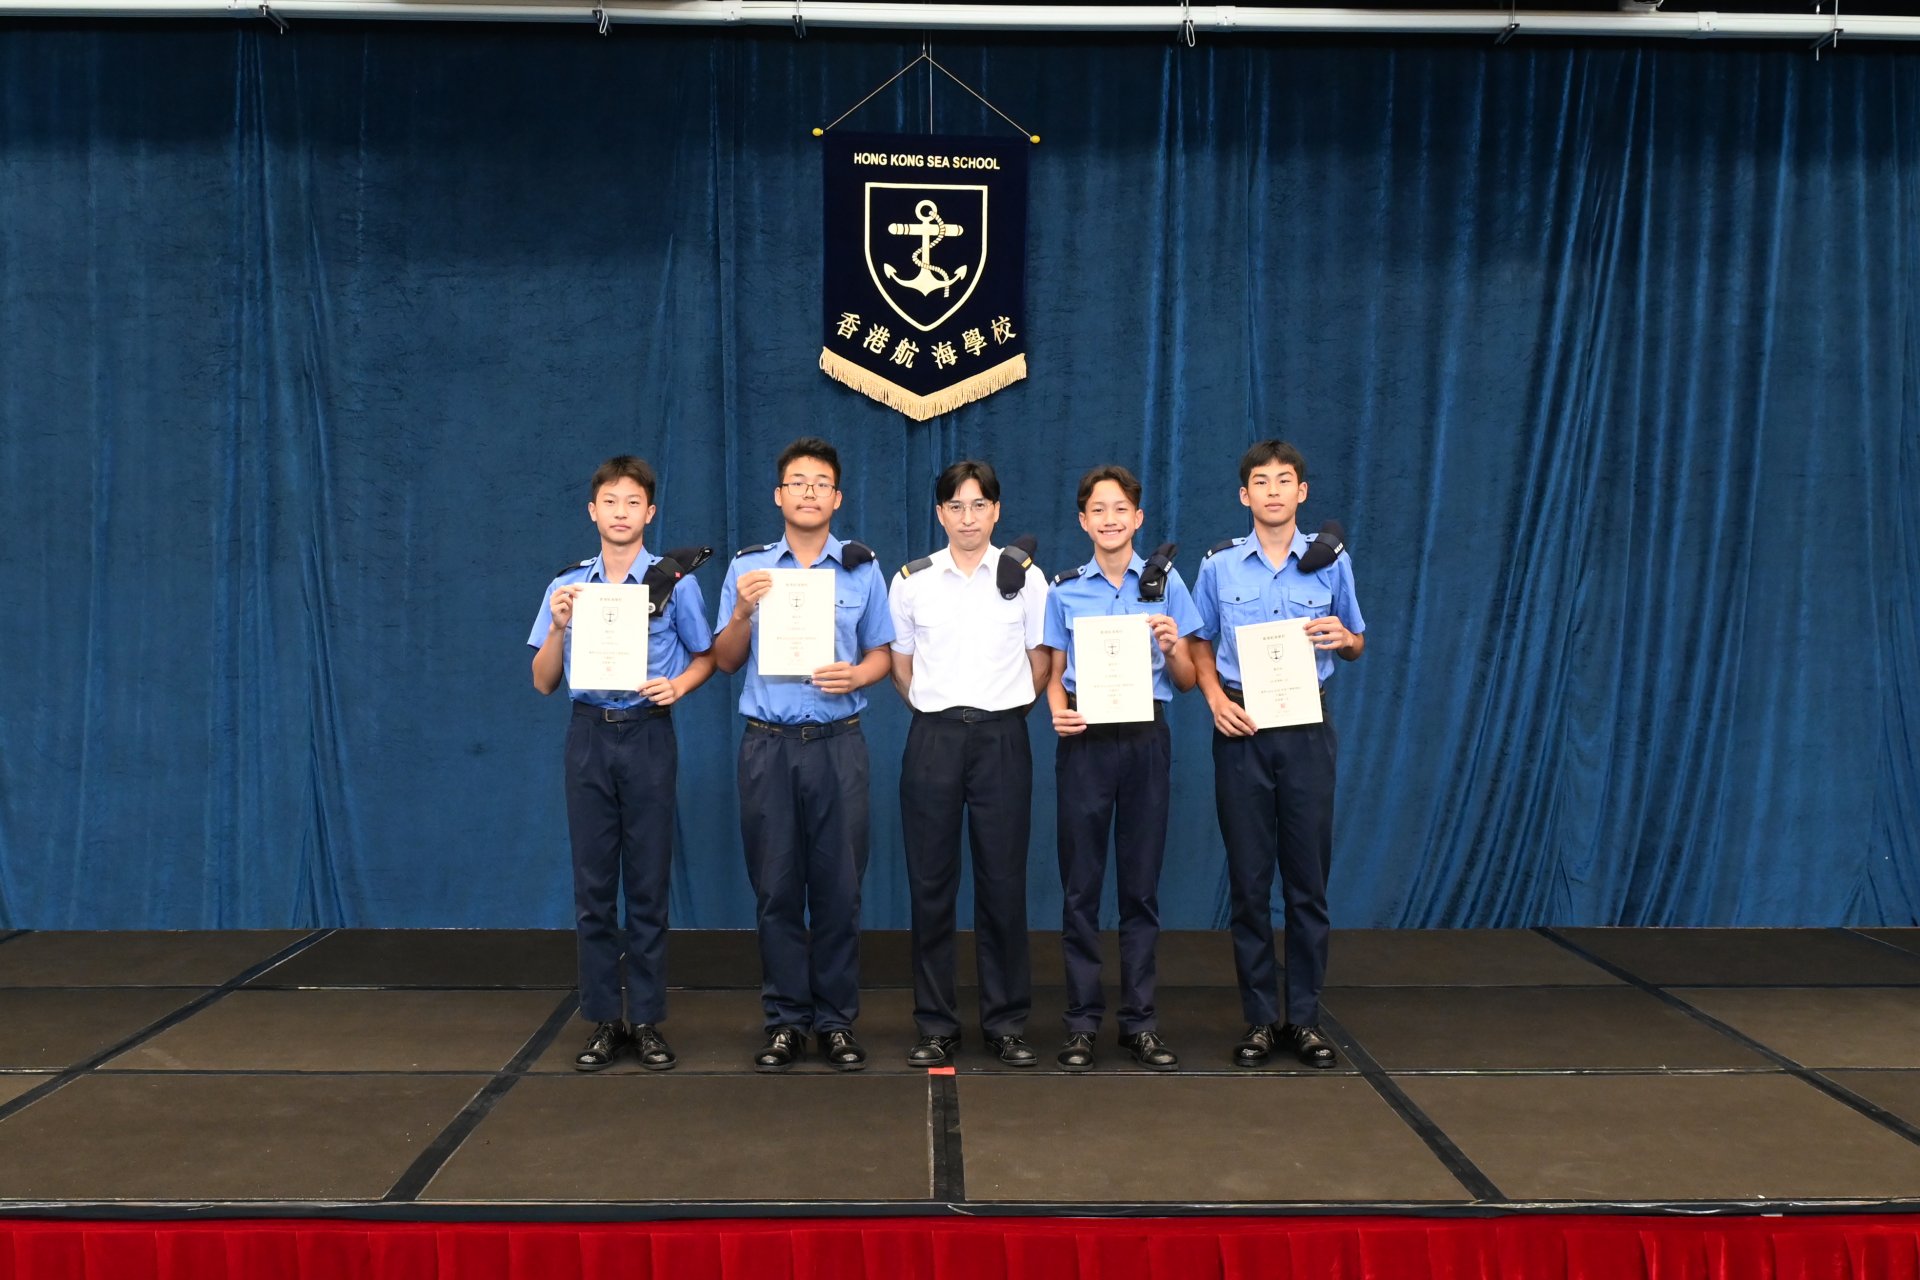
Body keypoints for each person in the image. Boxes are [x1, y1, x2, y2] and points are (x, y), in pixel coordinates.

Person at [711, 437, 894, 1073]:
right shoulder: (749, 570)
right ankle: (786, 1020)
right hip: (768, 745)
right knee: (777, 889)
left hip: (839, 745)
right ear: (778, 495)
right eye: (798, 481)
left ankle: (836, 1022)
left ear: (837, 498)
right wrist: (741, 611)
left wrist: (859, 675)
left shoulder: (862, 569)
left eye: (821, 483)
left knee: (840, 890)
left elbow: (882, 652)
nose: (809, 491)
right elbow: (726, 660)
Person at [529, 455, 716, 1072]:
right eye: (610, 501)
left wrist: (678, 686)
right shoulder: (567, 588)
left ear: (649, 512)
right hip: (588, 734)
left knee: (647, 884)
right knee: (592, 888)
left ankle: (648, 1019)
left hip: (647, 733)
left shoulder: (674, 583)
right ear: (592, 511)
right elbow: (542, 681)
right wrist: (558, 628)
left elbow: (707, 657)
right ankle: (605, 1020)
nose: (620, 512)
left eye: (633, 502)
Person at [1190, 440, 1366, 1069]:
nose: (1272, 491)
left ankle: (1307, 1020)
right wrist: (1215, 698)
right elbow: (1199, 642)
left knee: (1307, 884)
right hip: (1242, 727)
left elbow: (1357, 639)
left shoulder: (1331, 561)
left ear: (1302, 492)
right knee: (1249, 882)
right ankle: (1262, 1019)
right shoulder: (1219, 566)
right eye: (1260, 482)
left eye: (1284, 480)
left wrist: (1345, 637)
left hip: (1307, 729)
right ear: (1245, 495)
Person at [887, 460, 1048, 1069]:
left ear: (996, 511)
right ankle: (935, 1024)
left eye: (979, 505)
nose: (968, 517)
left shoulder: (1026, 578)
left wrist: (1003, 711)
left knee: (1002, 884)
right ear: (940, 514)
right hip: (933, 737)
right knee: (930, 885)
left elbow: (1041, 661)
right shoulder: (913, 581)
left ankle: (1005, 1023)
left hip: (1002, 737)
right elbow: (901, 667)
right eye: (955, 506)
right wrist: (939, 712)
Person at [1041, 465, 1201, 1072]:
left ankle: (1140, 1023)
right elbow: (1054, 674)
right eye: (1098, 510)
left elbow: (1186, 681)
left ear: (1138, 518)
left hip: (1144, 737)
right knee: (1081, 887)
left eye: (1120, 509)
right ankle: (1082, 1023)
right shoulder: (1064, 590)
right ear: (1083, 522)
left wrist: (1172, 648)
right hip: (1085, 741)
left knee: (1140, 887)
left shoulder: (1167, 583)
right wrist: (1057, 712)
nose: (1109, 520)